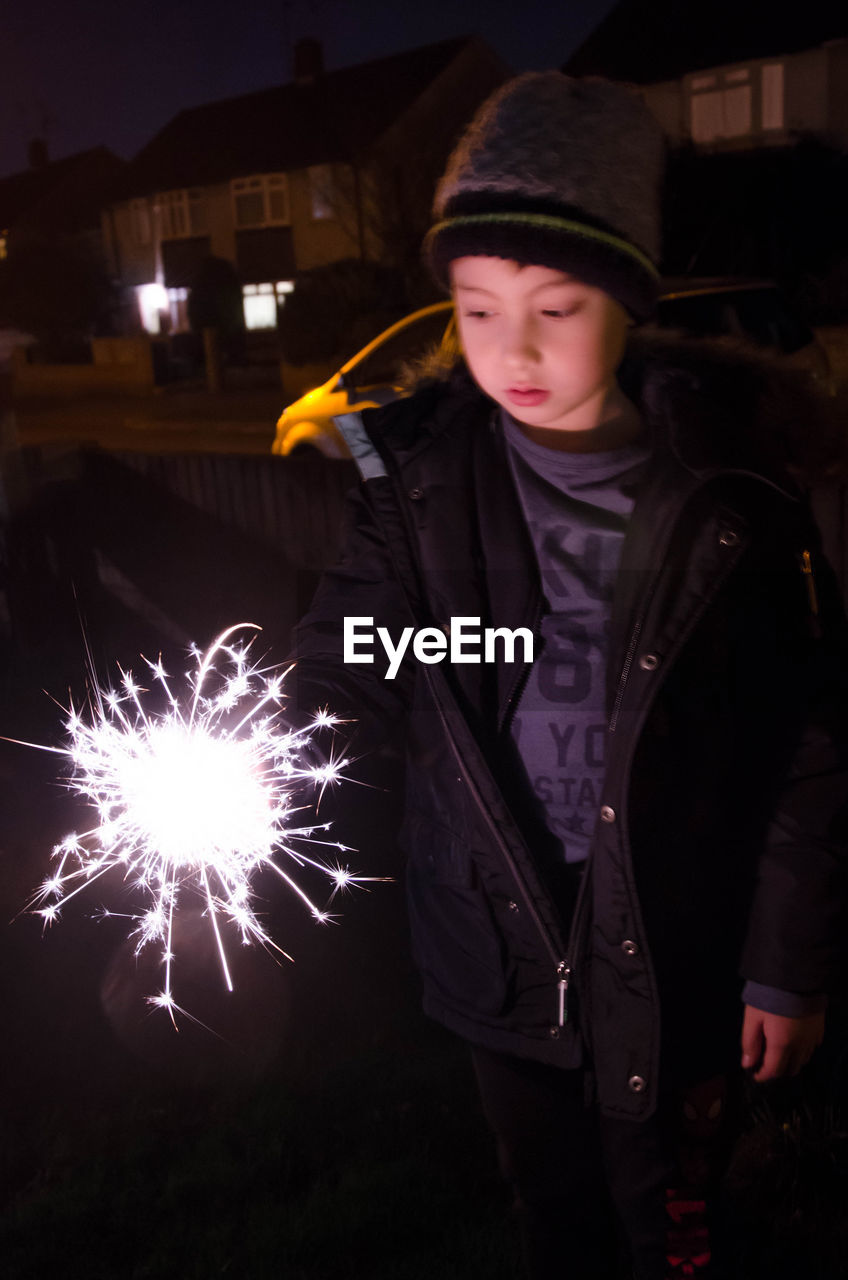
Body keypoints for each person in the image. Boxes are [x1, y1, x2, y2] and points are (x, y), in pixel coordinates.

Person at [288, 72, 848, 1279]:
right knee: (557, 1224)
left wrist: (784, 960)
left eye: (557, 305)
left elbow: (807, 739)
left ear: (630, 300)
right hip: (498, 943)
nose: (514, 351)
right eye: (477, 311)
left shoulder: (730, 496)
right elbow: (351, 664)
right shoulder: (419, 485)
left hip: (682, 943)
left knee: (677, 1230)